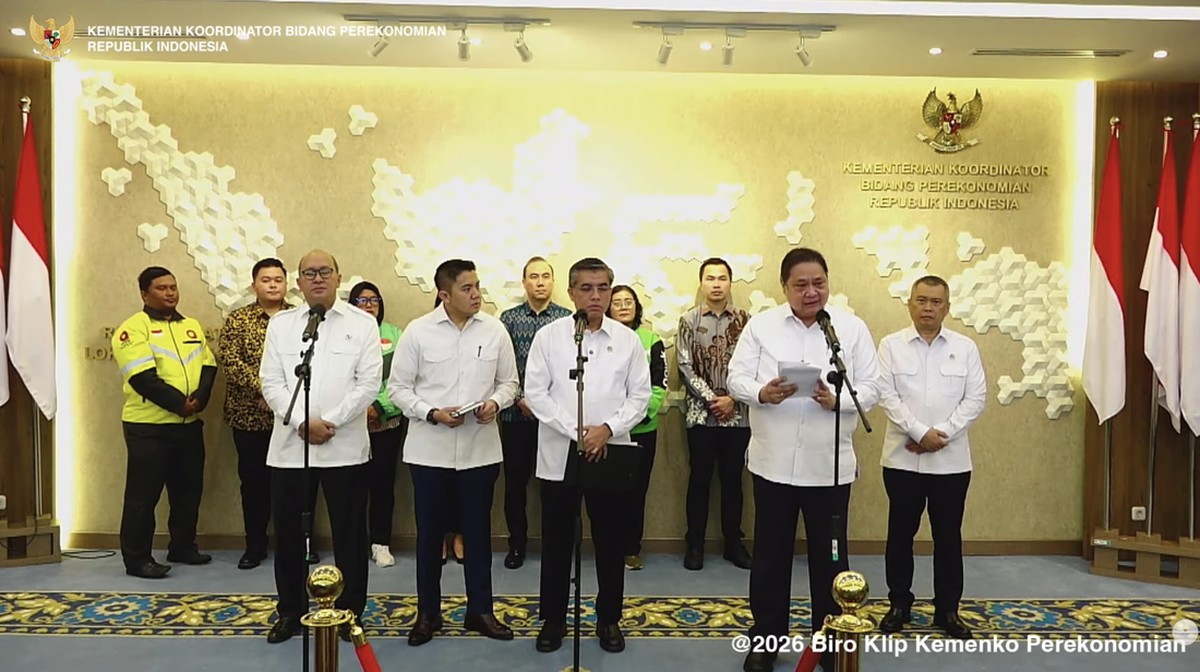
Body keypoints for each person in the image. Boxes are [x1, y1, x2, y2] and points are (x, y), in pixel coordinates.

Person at [727, 247, 881, 672]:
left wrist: (837, 401)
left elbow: (872, 387)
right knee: (770, 558)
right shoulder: (762, 326)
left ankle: (828, 643)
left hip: (828, 467)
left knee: (829, 562)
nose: (811, 292)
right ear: (784, 287)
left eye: (819, 283)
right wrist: (762, 392)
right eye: (801, 285)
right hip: (772, 463)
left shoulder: (849, 328)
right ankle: (766, 638)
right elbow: (736, 377)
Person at [388, 259, 519, 646]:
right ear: (444, 295)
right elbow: (398, 389)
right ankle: (428, 613)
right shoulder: (418, 332)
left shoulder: (494, 330)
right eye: (466, 288)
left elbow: (510, 383)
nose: (476, 294)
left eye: (477, 285)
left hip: (480, 452)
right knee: (429, 538)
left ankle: (480, 610)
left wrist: (495, 403)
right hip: (430, 452)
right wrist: (431, 412)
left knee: (478, 536)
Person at [524, 257, 651, 654]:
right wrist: (576, 431)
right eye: (586, 288)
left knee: (610, 541)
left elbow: (640, 396)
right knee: (557, 541)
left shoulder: (627, 340)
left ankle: (609, 618)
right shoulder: (549, 337)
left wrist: (607, 429)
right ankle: (554, 619)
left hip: (610, 451)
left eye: (603, 288)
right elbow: (536, 393)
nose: (595, 296)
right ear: (571, 292)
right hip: (560, 452)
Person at [260, 250, 382, 644]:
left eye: (325, 271)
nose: (317, 278)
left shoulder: (362, 323)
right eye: (309, 273)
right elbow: (271, 382)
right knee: (289, 535)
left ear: (339, 277)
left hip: (344, 446)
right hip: (291, 448)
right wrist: (301, 422)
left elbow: (368, 383)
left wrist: (330, 422)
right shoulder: (282, 325)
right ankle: (290, 611)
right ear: (298, 281)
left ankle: (349, 612)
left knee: (350, 535)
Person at [876, 275, 986, 640]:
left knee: (948, 537)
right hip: (902, 460)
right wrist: (919, 432)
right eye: (921, 300)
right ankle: (898, 604)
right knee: (900, 535)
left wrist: (941, 435)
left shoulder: (965, 347)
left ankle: (948, 610)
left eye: (936, 302)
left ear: (947, 308)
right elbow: (886, 395)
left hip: (951, 463)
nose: (928, 308)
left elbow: (975, 398)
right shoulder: (891, 345)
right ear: (910, 304)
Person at [111, 267, 218, 579]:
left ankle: (182, 546)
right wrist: (179, 404)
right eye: (161, 288)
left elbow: (209, 365)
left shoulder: (191, 326)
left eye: (173, 287)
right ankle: (137, 560)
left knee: (188, 492)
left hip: (188, 425)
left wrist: (200, 398)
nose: (170, 293)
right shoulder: (133, 329)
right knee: (143, 497)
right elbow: (142, 377)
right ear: (145, 294)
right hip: (148, 427)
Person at [676, 257, 753, 571]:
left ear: (730, 283)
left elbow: (754, 365)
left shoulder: (746, 321)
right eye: (710, 278)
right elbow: (684, 366)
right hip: (701, 416)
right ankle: (694, 545)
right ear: (701, 283)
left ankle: (733, 543)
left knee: (734, 482)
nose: (717, 284)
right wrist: (712, 400)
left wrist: (732, 398)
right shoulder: (688, 320)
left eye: (722, 278)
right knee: (699, 481)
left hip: (738, 414)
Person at [498, 257, 571, 570]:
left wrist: (545, 404)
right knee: (515, 485)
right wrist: (520, 399)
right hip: (517, 416)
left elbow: (568, 370)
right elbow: (502, 366)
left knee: (556, 484)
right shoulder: (509, 319)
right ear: (524, 282)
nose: (540, 282)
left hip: (556, 419)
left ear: (553, 281)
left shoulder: (567, 319)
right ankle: (517, 544)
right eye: (533, 277)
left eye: (545, 276)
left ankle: (557, 545)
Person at [220, 258, 292, 570]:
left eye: (278, 279)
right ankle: (255, 545)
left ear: (286, 284)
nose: (273, 285)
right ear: (254, 285)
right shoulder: (238, 320)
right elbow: (230, 360)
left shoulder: (300, 318)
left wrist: (278, 397)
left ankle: (297, 544)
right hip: (248, 416)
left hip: (290, 417)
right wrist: (264, 390)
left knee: (293, 484)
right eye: (266, 280)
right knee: (253, 484)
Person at [348, 281, 409, 569]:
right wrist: (359, 408)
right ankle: (354, 544)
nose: (368, 305)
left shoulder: (396, 336)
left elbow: (402, 380)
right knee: (352, 487)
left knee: (383, 486)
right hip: (351, 425)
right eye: (361, 301)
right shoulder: (343, 336)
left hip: (386, 424)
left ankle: (380, 543)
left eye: (373, 300)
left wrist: (378, 407)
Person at [607, 285, 666, 571]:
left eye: (628, 301)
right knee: (608, 492)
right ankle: (609, 547)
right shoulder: (601, 339)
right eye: (617, 302)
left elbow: (659, 385)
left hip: (643, 429)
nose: (623, 306)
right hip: (608, 430)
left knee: (636, 491)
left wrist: (637, 416)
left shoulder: (651, 340)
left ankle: (631, 548)